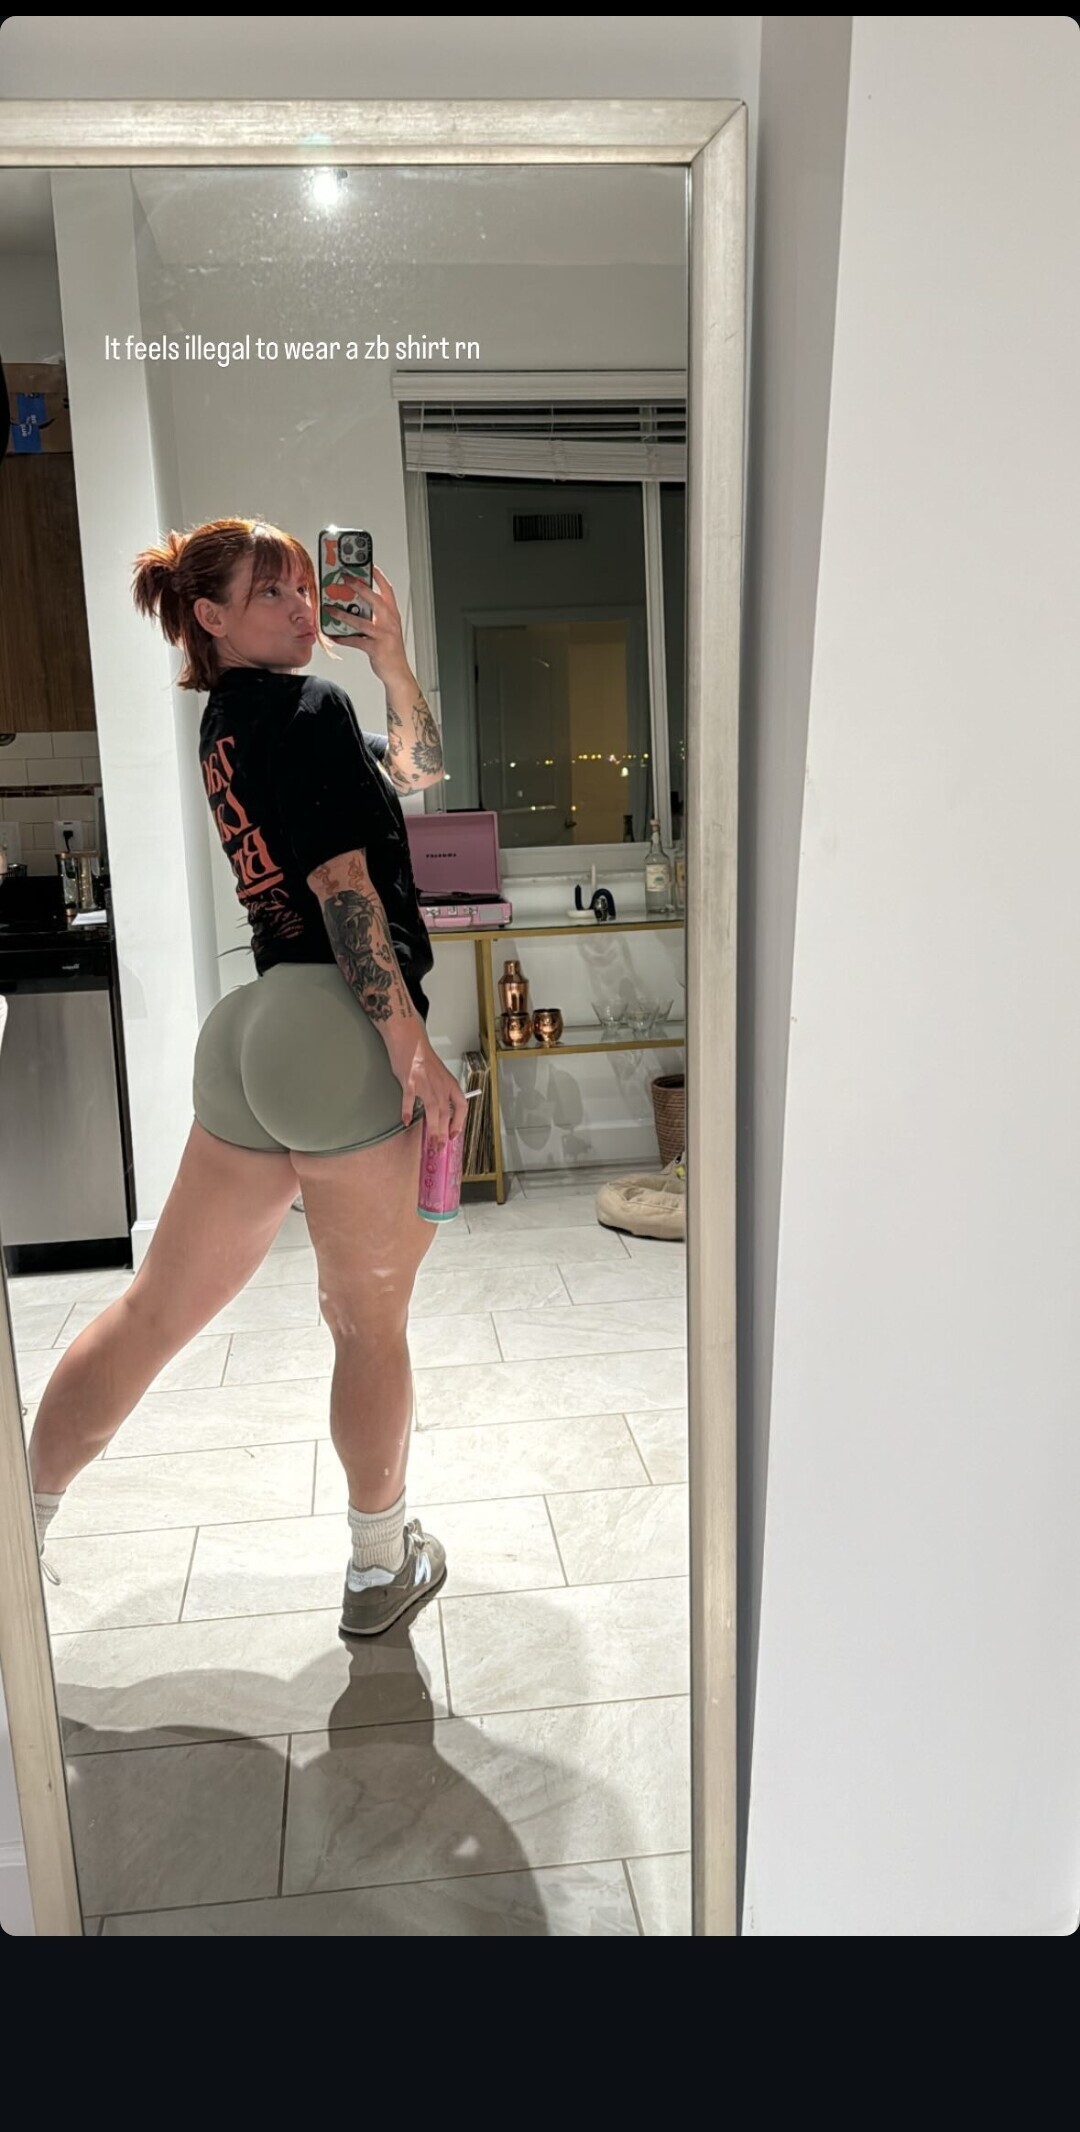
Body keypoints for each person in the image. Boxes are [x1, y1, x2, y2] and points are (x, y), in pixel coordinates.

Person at [28, 516, 468, 1636]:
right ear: (211, 617)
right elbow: (342, 883)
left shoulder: (232, 719)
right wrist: (409, 1044)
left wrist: (392, 658)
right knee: (366, 1321)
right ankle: (380, 1566)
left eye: (304, 586)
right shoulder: (303, 707)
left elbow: (416, 773)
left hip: (255, 1032)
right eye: (271, 592)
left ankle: (16, 1531)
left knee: (153, 1309)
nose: (302, 606)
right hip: (338, 1033)